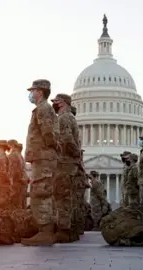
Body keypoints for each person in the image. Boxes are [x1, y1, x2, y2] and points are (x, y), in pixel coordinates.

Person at [21, 79, 59, 246]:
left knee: (40, 193)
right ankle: (44, 230)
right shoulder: (42, 109)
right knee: (40, 192)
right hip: (42, 156)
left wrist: (48, 148)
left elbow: (48, 133)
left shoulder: (43, 109)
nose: (31, 93)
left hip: (43, 157)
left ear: (40, 92)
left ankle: (45, 232)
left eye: (33, 90)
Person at [51, 93, 81, 243]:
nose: (53, 105)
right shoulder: (70, 117)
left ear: (62, 103)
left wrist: (75, 154)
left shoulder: (63, 118)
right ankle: (69, 231)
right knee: (67, 197)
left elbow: (67, 140)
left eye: (55, 102)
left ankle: (63, 231)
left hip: (64, 163)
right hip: (69, 163)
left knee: (62, 197)